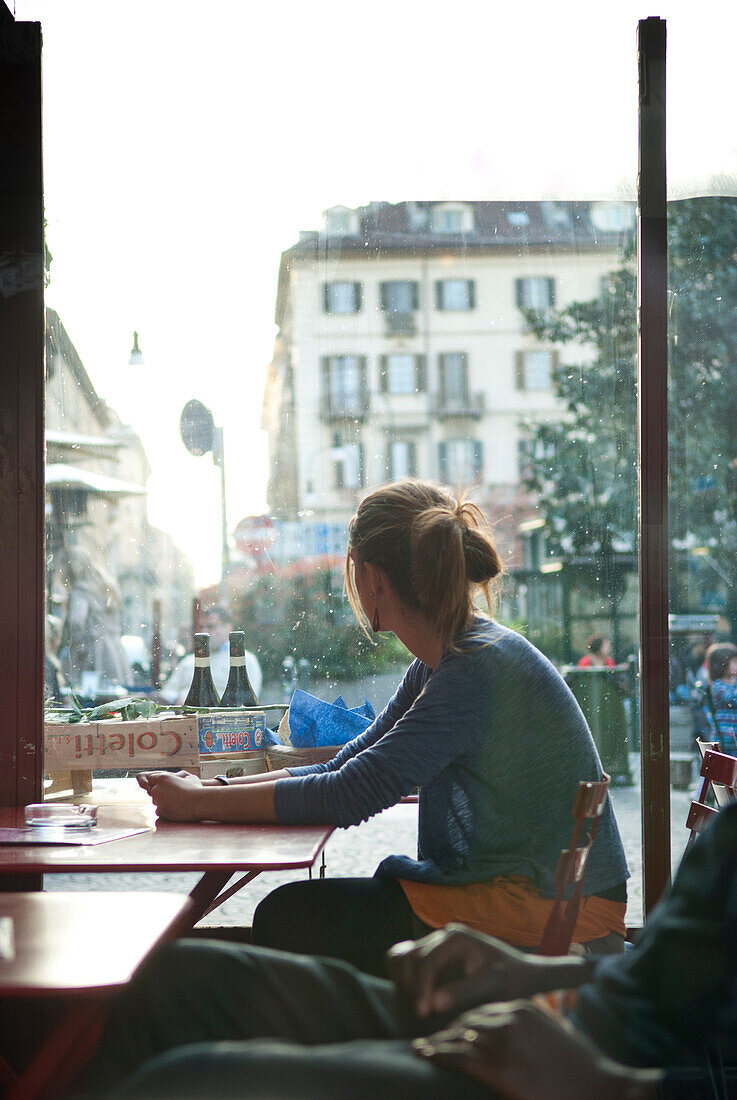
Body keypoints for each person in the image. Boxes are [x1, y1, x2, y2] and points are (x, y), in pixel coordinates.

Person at [138, 480, 628, 970]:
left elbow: (352, 791)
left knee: (291, 917)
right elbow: (350, 759)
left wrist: (200, 801)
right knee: (295, 916)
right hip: (537, 893)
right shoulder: (450, 656)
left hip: (558, 913)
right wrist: (212, 790)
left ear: (373, 579)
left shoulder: (474, 667)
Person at [75, 799, 737, 1099]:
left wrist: (609, 1087)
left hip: (607, 1075)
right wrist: (527, 971)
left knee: (196, 1084)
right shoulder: (453, 664)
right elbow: (677, 979)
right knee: (183, 978)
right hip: (585, 1021)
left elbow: (358, 781)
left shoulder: (476, 664)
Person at [159, 605, 263, 704]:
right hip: (186, 717)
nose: (205, 632)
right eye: (202, 627)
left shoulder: (245, 660)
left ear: (227, 628)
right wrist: (177, 700)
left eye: (210, 627)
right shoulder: (189, 661)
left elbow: (249, 699)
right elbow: (167, 692)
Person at [704, 641, 737, 753]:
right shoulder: (718, 686)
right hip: (725, 737)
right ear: (723, 664)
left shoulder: (734, 683)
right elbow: (732, 699)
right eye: (734, 662)